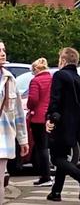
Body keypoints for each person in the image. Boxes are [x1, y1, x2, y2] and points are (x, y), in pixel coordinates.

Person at [45, 47, 80, 202]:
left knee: (56, 158)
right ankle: (56, 192)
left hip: (61, 124)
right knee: (63, 157)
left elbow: (55, 100)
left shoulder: (60, 75)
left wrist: (50, 118)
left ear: (63, 61)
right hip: (75, 125)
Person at [0, 40, 29, 204]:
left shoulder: (9, 79)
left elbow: (18, 112)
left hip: (3, 139)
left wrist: (22, 139)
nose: (3, 53)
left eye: (4, 50)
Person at [26, 57, 52, 187]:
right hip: (49, 117)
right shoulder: (52, 79)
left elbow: (33, 99)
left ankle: (45, 176)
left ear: (36, 69)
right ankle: (46, 176)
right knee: (45, 147)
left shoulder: (35, 81)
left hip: (38, 117)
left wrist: (30, 107)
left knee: (41, 148)